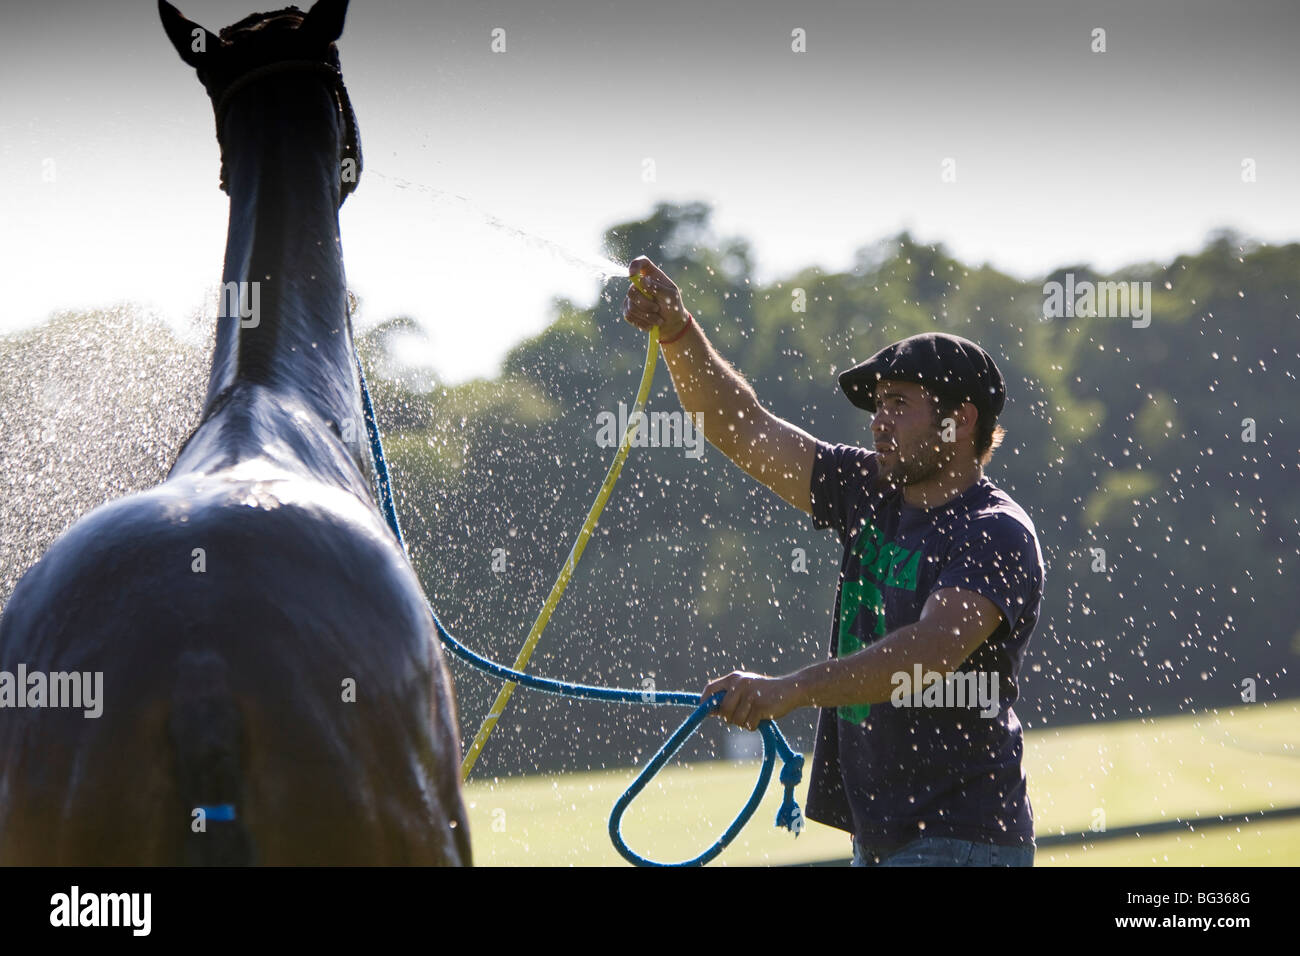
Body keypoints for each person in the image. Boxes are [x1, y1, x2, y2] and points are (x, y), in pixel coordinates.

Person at [622, 256, 1044, 867]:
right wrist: (678, 330)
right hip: (881, 842)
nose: (879, 423)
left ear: (961, 420)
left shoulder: (995, 530)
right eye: (877, 406)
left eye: (899, 403)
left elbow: (924, 655)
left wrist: (788, 690)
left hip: (962, 840)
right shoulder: (866, 488)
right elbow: (740, 428)